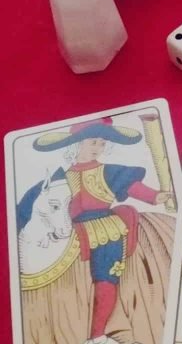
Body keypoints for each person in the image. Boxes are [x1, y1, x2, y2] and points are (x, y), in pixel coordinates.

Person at [17, 117, 173, 344]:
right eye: (93, 142)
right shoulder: (60, 178)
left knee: (105, 277)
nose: (98, 148)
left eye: (102, 143)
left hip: (104, 229)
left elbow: (133, 187)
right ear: (77, 144)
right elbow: (32, 205)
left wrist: (156, 196)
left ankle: (98, 335)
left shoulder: (109, 171)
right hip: (68, 229)